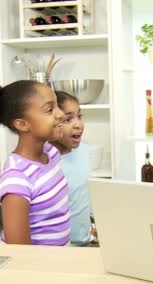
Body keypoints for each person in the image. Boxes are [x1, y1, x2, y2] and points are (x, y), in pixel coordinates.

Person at [0, 80, 71, 246]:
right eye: (49, 109)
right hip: (35, 268)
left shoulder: (50, 153)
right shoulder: (17, 179)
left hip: (58, 262)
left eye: (57, 106)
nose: (60, 114)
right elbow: (19, 252)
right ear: (22, 124)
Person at [50, 91, 97, 246]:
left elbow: (83, 195)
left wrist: (94, 227)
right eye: (68, 119)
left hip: (86, 243)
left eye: (79, 116)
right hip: (61, 249)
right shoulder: (46, 162)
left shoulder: (83, 151)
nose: (78, 124)